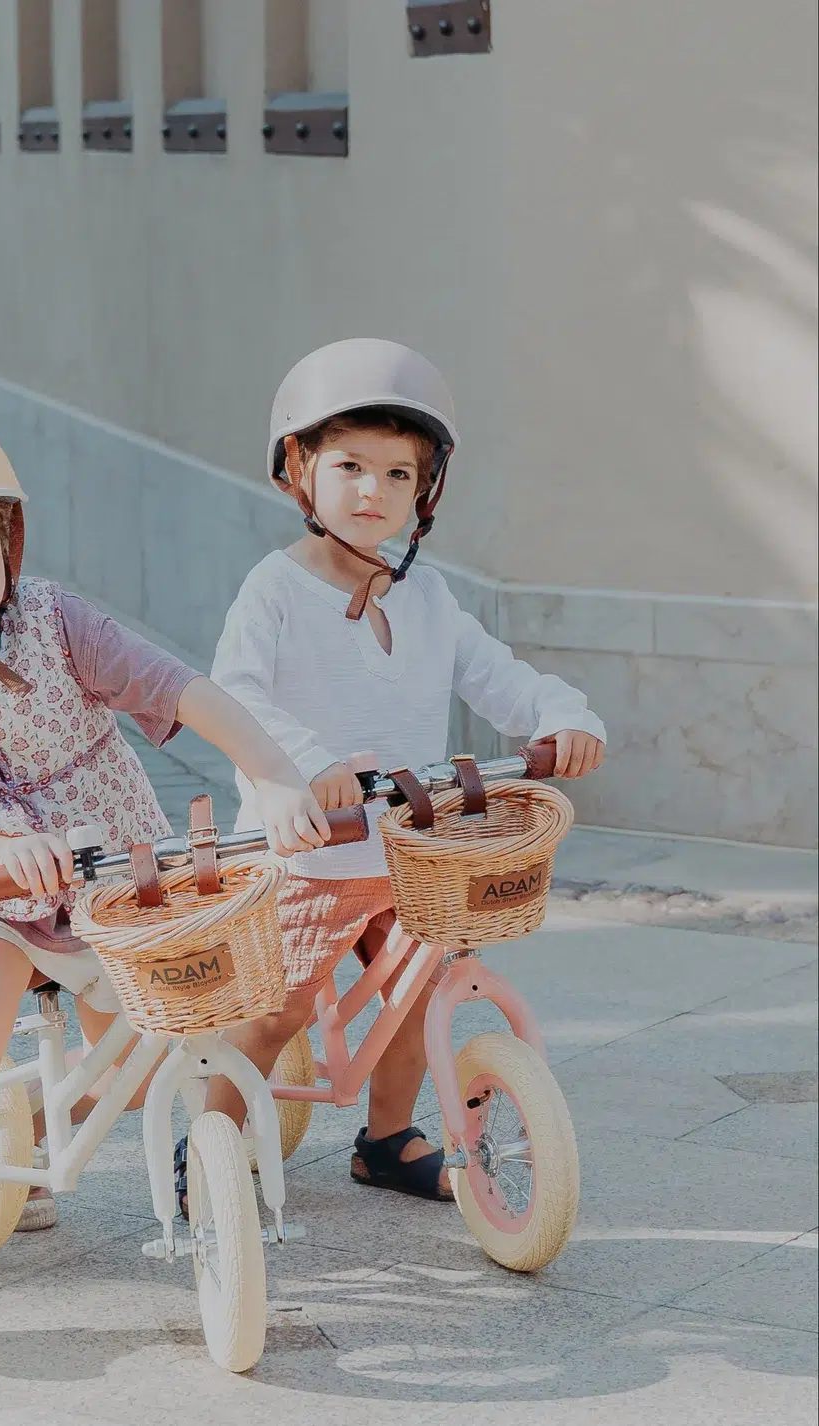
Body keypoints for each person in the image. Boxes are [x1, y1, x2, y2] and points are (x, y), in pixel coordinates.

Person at [0, 408, 330, 1321]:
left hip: (116, 875)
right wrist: (0, 851)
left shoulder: (53, 620)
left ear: (10, 538)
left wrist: (276, 774)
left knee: (136, 1062)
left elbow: (181, 689)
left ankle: (44, 1123)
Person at [197, 338, 606, 1204]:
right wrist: (306, 765)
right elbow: (235, 694)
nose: (372, 491)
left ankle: (385, 1142)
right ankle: (210, 1152)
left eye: (398, 474)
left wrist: (560, 716)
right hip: (308, 851)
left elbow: (498, 676)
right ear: (298, 470)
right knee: (275, 1010)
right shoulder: (275, 590)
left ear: (425, 490)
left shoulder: (429, 596)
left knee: (421, 995)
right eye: (348, 466)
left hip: (410, 846)